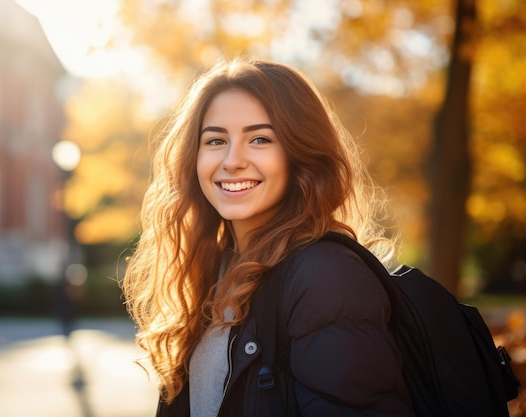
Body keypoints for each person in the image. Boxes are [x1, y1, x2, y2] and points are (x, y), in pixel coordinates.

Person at [121, 57, 415, 416]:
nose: (232, 160)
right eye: (215, 140)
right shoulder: (213, 272)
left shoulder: (326, 277)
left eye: (259, 139)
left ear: (299, 154)